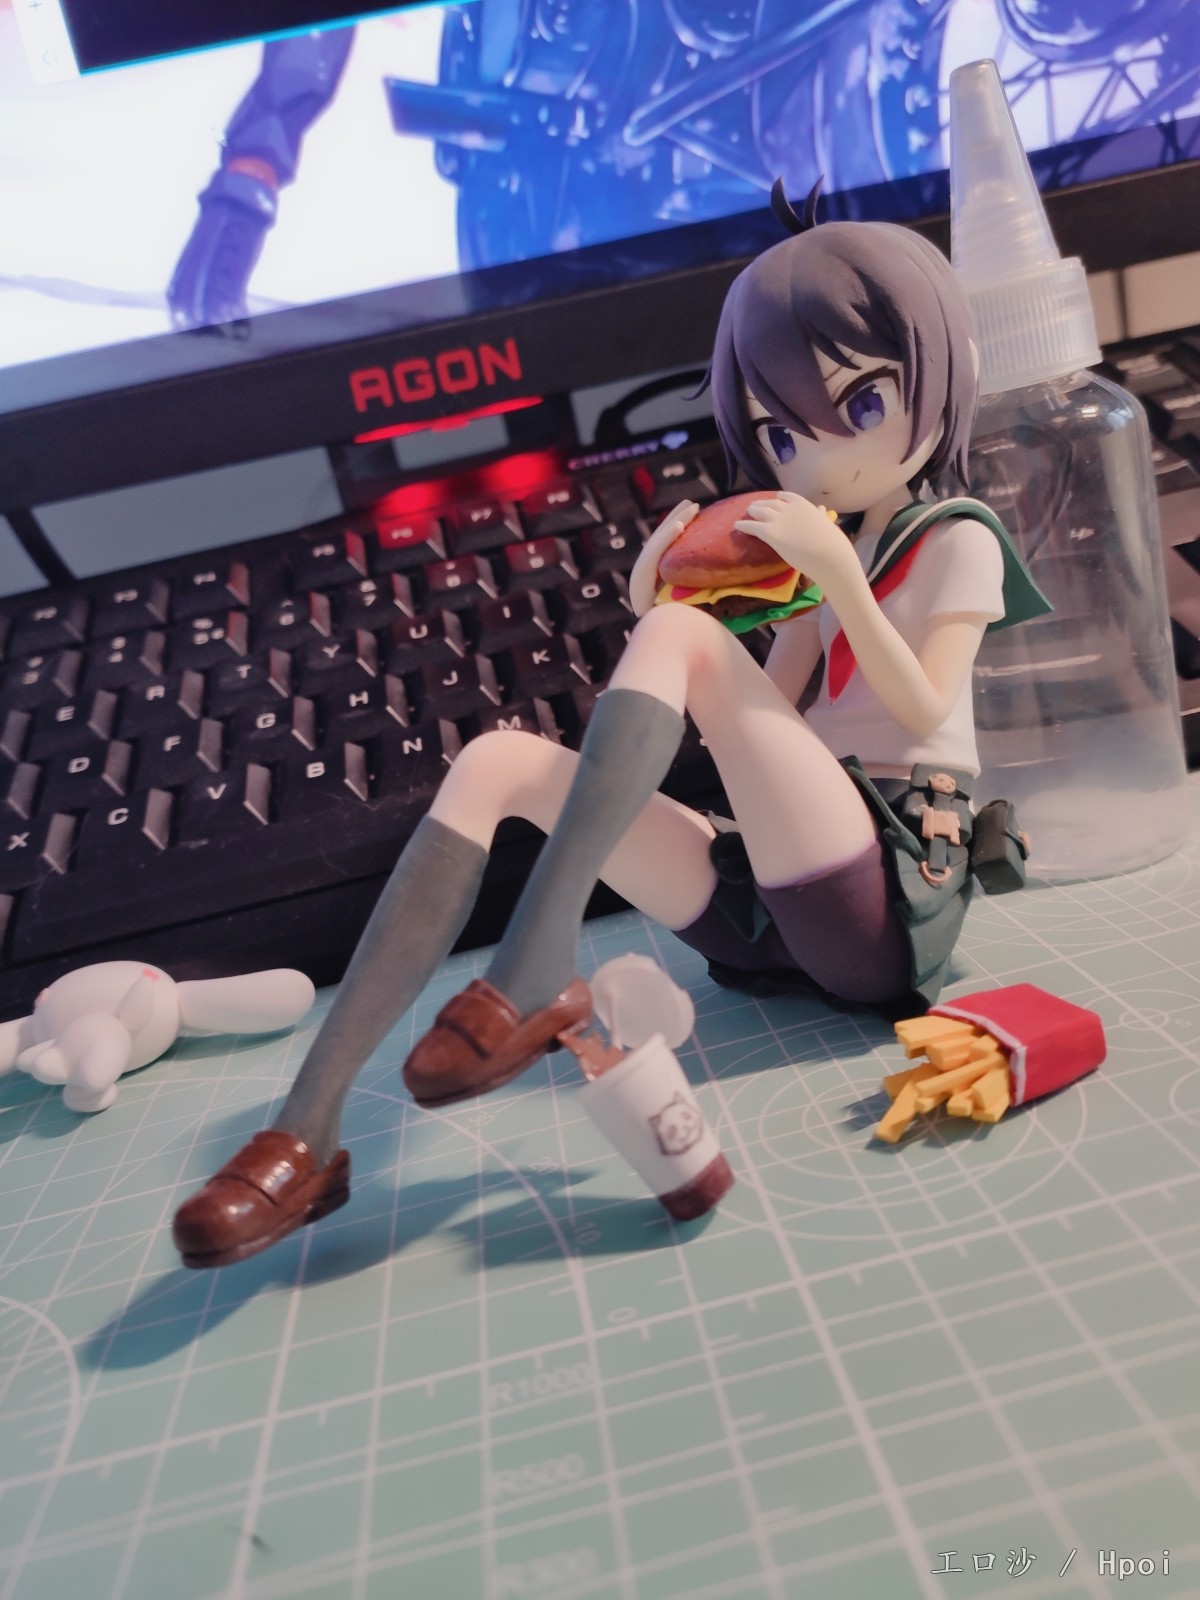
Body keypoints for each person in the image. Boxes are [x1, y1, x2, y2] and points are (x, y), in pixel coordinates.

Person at [172, 182, 1048, 1268]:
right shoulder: (816, 561)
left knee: (686, 642)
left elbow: (923, 704)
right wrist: (672, 615)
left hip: (886, 891)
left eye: (861, 406)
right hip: (776, 904)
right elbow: (763, 722)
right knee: (498, 759)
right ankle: (305, 1128)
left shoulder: (954, 538)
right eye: (781, 435)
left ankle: (535, 967)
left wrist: (829, 584)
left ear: (942, 373)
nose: (818, 461)